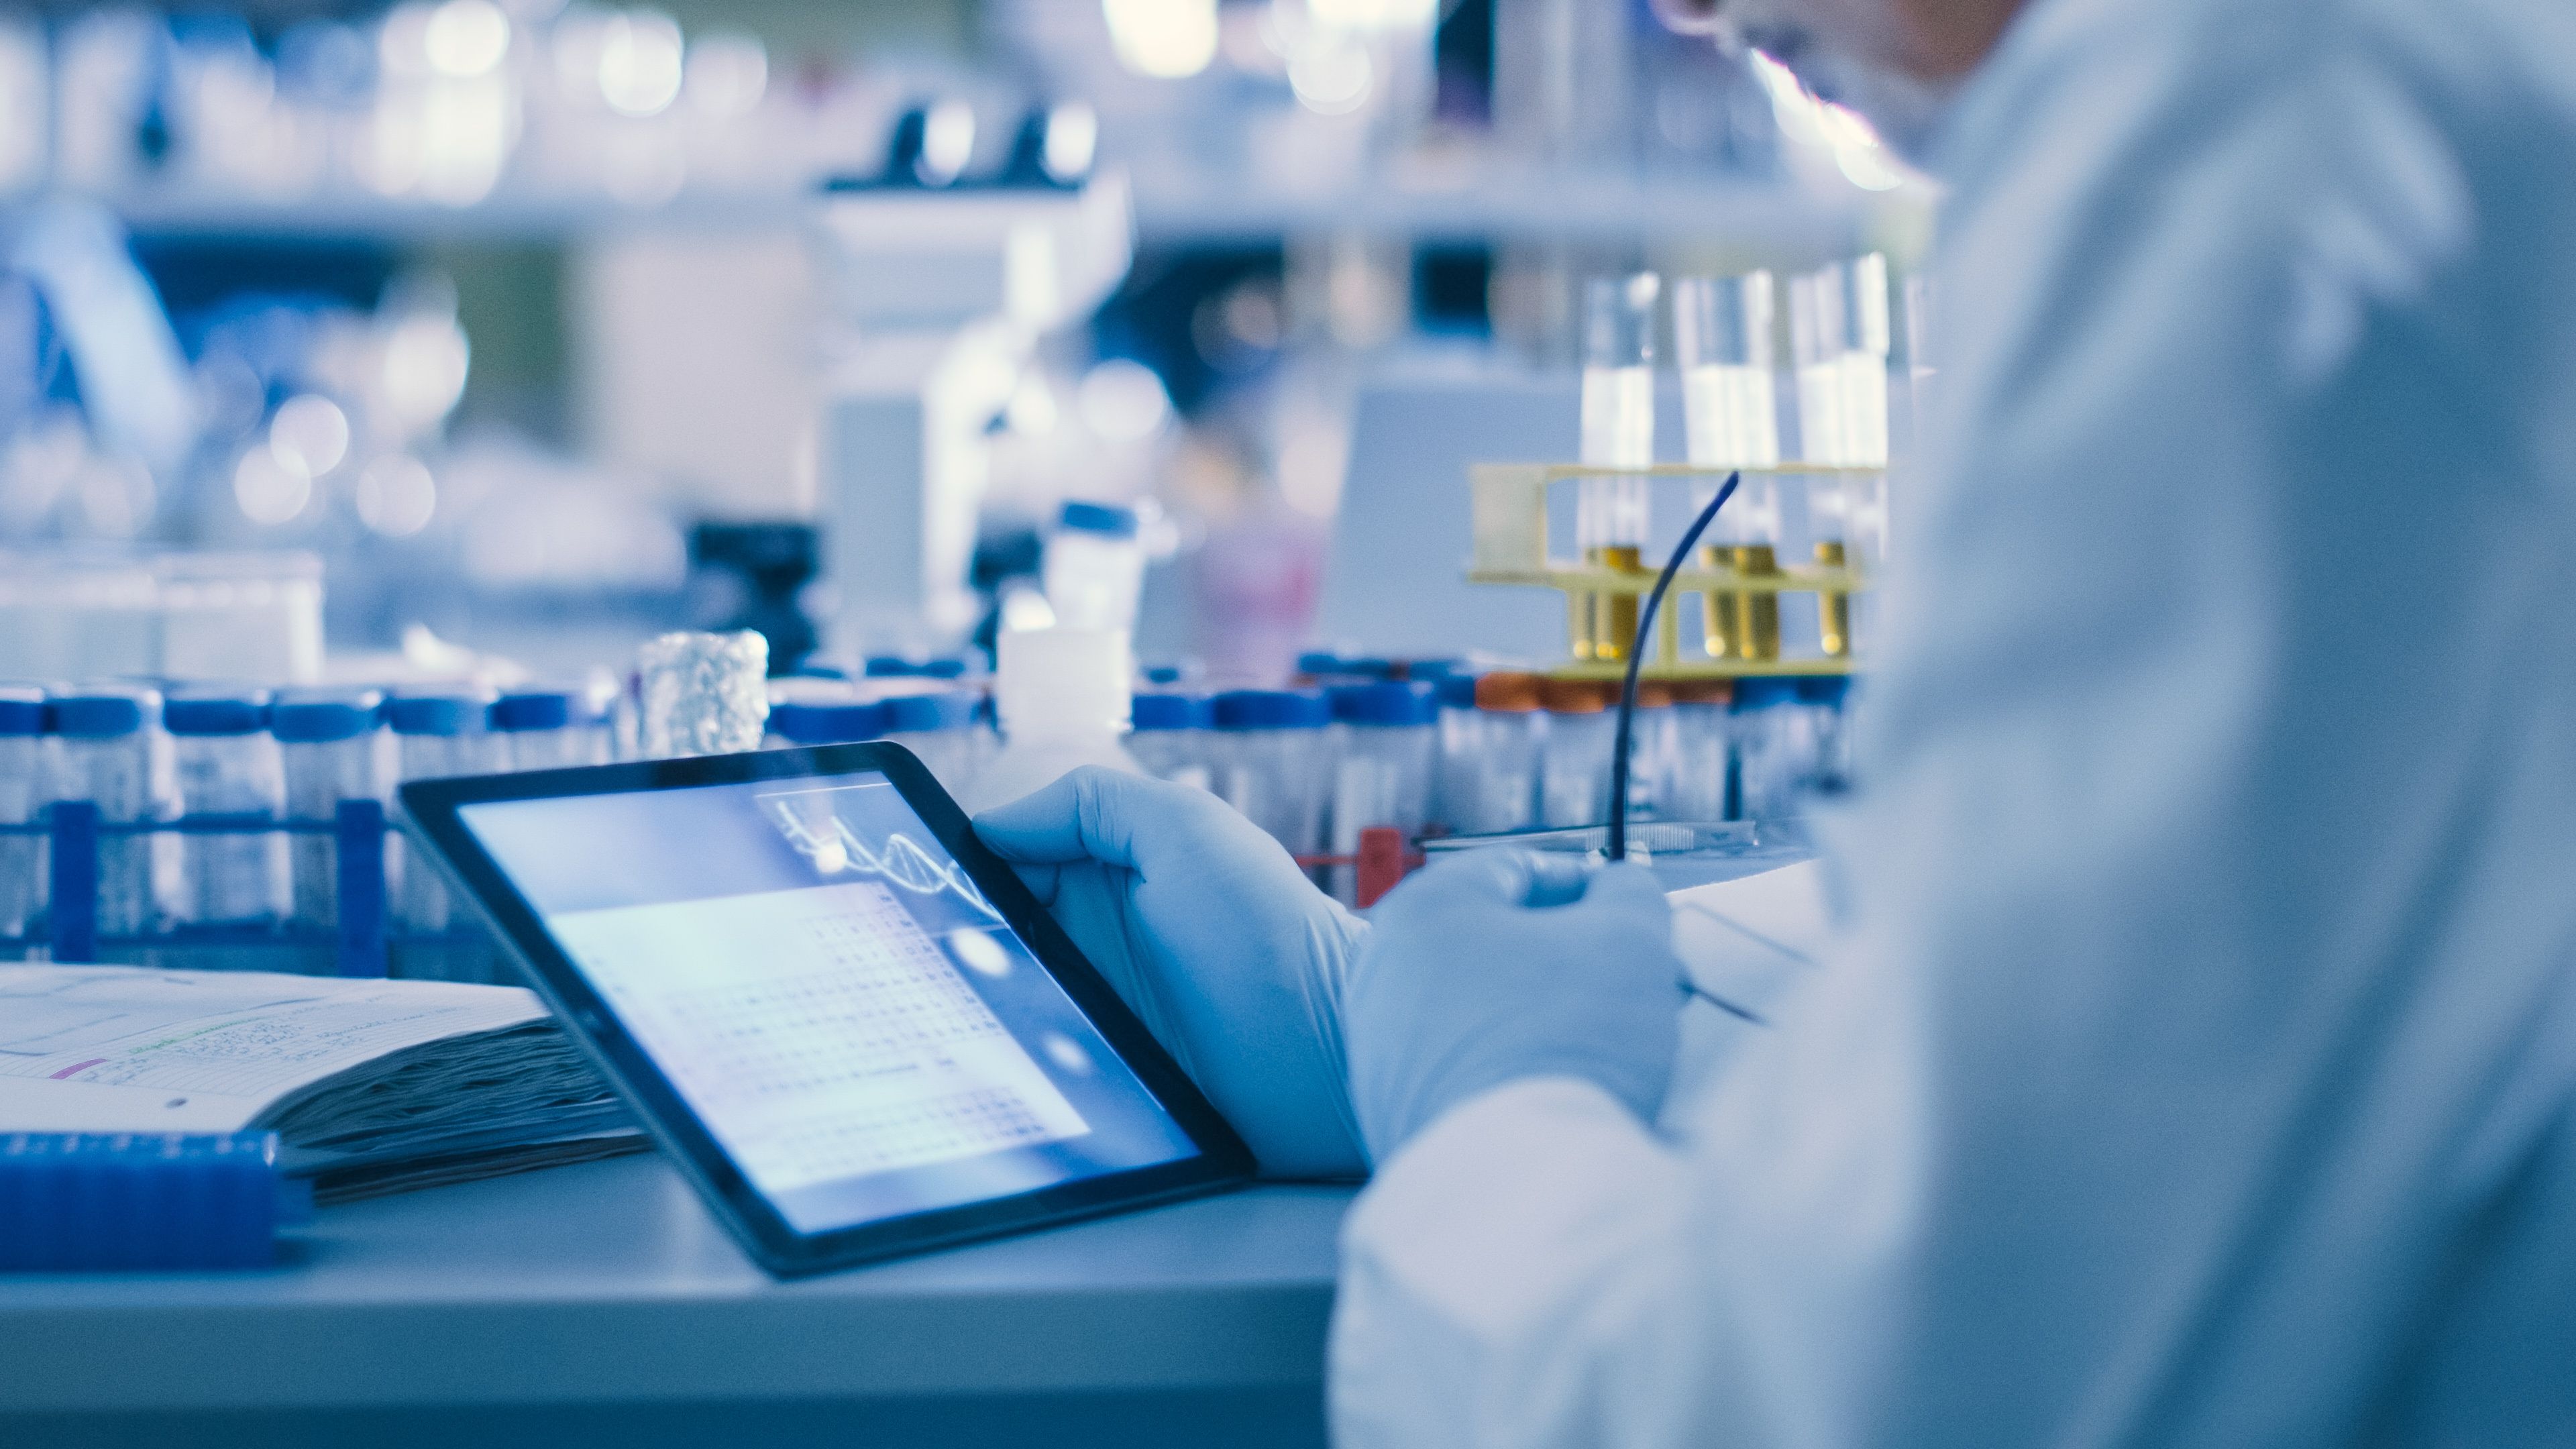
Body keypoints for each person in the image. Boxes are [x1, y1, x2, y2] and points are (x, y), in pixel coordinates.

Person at [977, 0, 2576, 1440]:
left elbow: (1858, 1397)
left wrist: (1490, 1123)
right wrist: (1384, 1022)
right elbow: (2158, 996)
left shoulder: (2232, 136)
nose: (1680, 12)